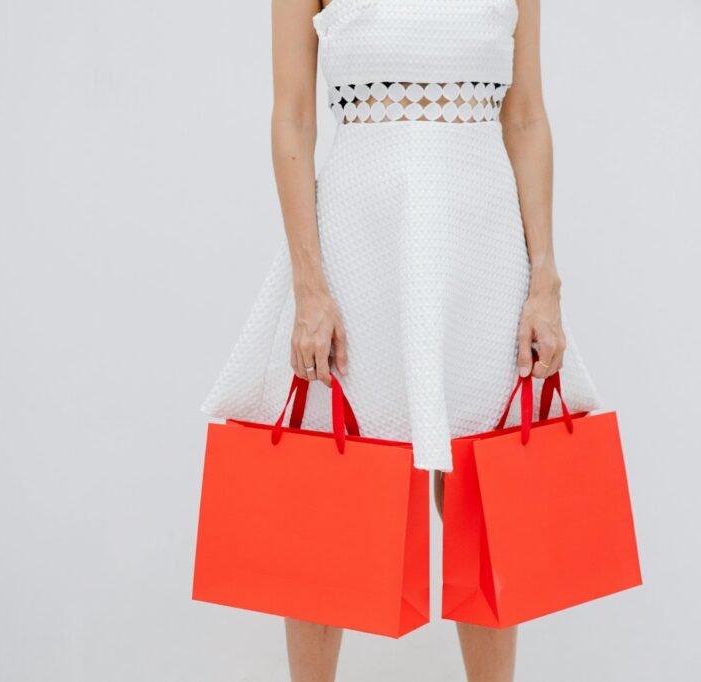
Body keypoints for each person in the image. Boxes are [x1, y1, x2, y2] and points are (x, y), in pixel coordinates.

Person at [199, 1, 604, 680]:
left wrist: (545, 280)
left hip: (481, 250)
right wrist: (309, 285)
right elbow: (292, 115)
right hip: (360, 246)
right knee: (328, 494)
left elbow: (527, 117)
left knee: (483, 499)